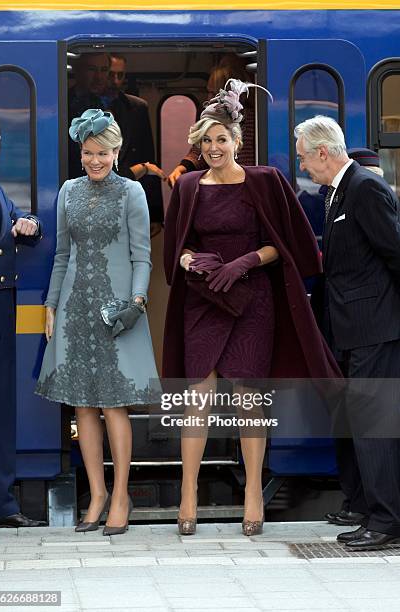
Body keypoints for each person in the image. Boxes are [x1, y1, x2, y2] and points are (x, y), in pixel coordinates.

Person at [163, 82, 341, 537]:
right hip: (205, 298)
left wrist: (246, 260)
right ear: (198, 144)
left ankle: (253, 494)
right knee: (196, 398)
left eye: (222, 138)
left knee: (249, 399)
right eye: (206, 140)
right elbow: (177, 249)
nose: (213, 147)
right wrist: (190, 259)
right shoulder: (185, 186)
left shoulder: (264, 180)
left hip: (253, 300)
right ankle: (188, 494)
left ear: (237, 142)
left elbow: (285, 244)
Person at [36, 109, 158, 536]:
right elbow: (62, 255)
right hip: (74, 307)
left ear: (117, 151)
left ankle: (121, 494)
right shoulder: (68, 191)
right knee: (83, 405)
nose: (94, 160)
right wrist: (51, 305)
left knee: (113, 403)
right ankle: (98, 494)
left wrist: (137, 302)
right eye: (88, 152)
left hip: (117, 310)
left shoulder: (133, 193)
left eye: (102, 153)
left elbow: (141, 255)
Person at [295, 115, 400, 550]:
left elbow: (395, 252)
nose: (303, 167)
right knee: (363, 424)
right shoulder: (338, 192)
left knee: (374, 426)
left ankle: (386, 523)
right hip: (352, 329)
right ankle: (376, 514)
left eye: (304, 158)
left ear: (323, 152)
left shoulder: (364, 188)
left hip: (374, 327)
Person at [0, 113, 44, 536]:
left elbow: (18, 218)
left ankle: (1, 502)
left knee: (0, 405)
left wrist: (31, 224)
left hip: (0, 303)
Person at [68, 53, 165, 227]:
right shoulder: (61, 106)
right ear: (77, 70)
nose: (99, 77)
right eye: (92, 69)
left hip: (125, 207)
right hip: (78, 205)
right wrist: (140, 170)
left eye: (104, 70)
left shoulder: (134, 108)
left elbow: (147, 156)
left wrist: (154, 214)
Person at [167, 54, 255, 188]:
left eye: (213, 94)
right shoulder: (209, 119)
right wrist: (182, 167)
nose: (208, 98)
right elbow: (198, 151)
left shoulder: (251, 120)